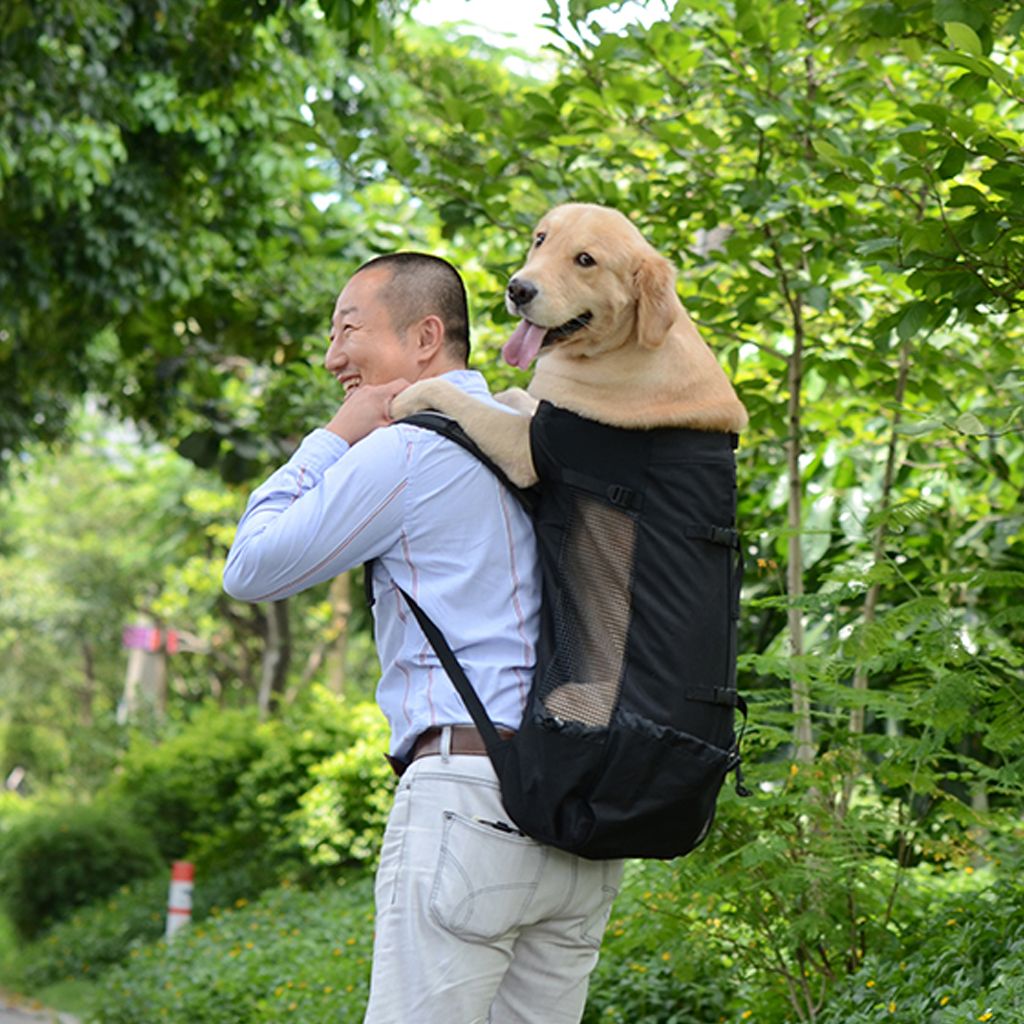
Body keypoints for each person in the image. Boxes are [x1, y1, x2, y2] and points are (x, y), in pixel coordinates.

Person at [222, 253, 623, 1023]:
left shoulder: (408, 449)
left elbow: (253, 566)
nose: (334, 356)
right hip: (580, 804)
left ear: (426, 337)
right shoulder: (539, 437)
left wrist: (335, 436)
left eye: (349, 330)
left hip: (470, 800)